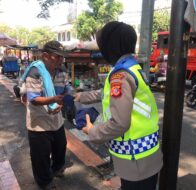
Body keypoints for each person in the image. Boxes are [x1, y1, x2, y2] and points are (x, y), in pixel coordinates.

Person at [75, 21, 163, 190]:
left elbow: (120, 123)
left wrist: (92, 132)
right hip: (145, 153)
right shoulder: (132, 67)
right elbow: (108, 94)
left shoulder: (120, 75)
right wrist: (82, 96)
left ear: (111, 46)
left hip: (135, 159)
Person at [22, 41, 67, 189]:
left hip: (56, 118)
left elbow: (63, 90)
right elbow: (34, 99)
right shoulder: (35, 72)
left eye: (62, 57)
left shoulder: (61, 71)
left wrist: (60, 102)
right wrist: (53, 100)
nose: (61, 60)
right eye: (57, 57)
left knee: (60, 146)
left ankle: (57, 168)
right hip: (39, 120)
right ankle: (44, 181)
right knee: (40, 155)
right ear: (46, 56)